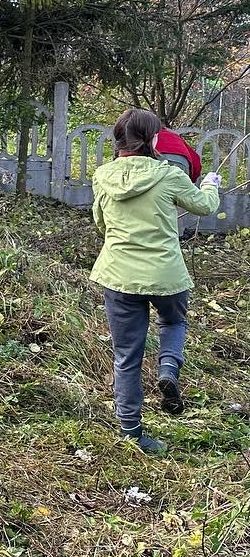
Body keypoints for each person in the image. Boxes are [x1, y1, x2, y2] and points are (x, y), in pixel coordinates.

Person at [90, 108, 221, 454]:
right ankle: (167, 367)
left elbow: (100, 224)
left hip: (118, 275)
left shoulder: (103, 175)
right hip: (166, 274)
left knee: (126, 356)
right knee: (174, 320)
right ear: (152, 139)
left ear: (118, 140)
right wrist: (210, 183)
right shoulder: (168, 174)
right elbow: (205, 206)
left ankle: (132, 432)